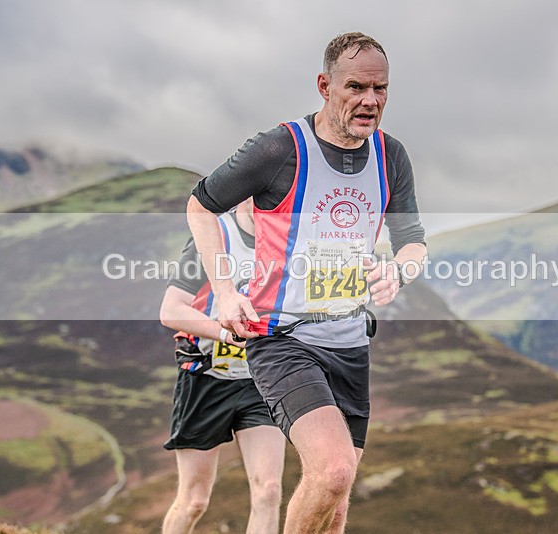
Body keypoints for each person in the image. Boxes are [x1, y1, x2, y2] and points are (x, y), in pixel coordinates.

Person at [186, 32, 427, 533]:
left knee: (334, 503)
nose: (370, 101)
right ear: (324, 85)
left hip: (350, 343)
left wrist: (400, 269)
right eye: (356, 87)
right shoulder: (279, 148)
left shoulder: (392, 156)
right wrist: (226, 290)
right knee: (334, 470)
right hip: (284, 339)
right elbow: (201, 204)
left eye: (381, 89)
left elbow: (414, 240)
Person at [160, 199, 286, 534]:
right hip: (205, 377)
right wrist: (225, 333)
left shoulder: (289, 240)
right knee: (193, 501)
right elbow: (171, 310)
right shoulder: (215, 236)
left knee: (269, 491)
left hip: (260, 380)